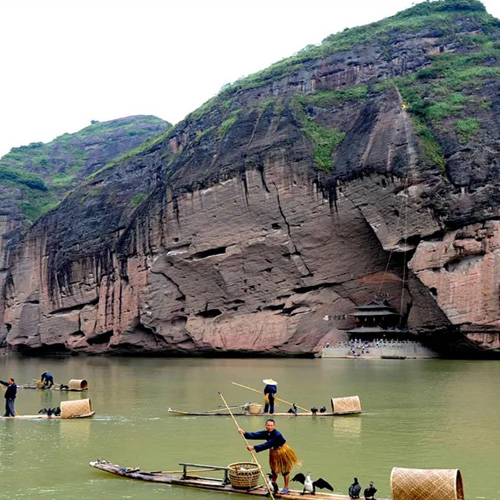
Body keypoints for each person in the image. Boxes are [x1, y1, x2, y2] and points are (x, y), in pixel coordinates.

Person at [238, 418, 301, 495]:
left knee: (285, 471)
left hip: (282, 452)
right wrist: (244, 433)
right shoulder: (266, 433)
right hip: (274, 452)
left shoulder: (277, 435)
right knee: (274, 471)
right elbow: (255, 435)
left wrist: (254, 447)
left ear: (274, 426)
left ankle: (286, 488)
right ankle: (273, 486)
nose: (270, 427)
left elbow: (268, 444)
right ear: (265, 426)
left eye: (271, 425)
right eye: (268, 425)